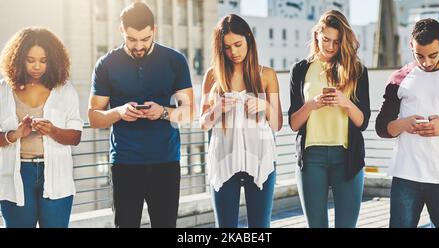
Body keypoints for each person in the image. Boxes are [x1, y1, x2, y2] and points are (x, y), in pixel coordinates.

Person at [88, 2, 195, 228]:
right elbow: (94, 117)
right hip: (125, 163)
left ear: (153, 30)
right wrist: (118, 112)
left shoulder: (175, 60)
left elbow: (189, 113)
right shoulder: (105, 64)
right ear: (122, 31)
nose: (138, 46)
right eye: (132, 39)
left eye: (145, 39)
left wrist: (163, 112)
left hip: (166, 162)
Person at [288, 10, 370, 228]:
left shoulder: (357, 69)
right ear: (316, 35)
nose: (331, 46)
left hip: (347, 157)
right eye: (326, 39)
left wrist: (345, 102)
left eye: (336, 41)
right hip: (311, 156)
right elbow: (294, 123)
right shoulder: (300, 69)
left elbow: (363, 122)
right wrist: (311, 104)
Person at [200, 14, 282, 228]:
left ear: (248, 39)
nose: (233, 52)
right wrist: (217, 108)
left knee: (259, 228)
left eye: (238, 44)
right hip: (224, 158)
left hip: (260, 159)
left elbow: (278, 124)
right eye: (227, 47)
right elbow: (203, 123)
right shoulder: (212, 76)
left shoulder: (267, 75)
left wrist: (265, 106)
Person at [0, 27, 83, 228]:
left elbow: (75, 137)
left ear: (53, 60)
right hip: (16, 174)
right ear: (18, 58)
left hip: (56, 173)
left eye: (44, 61)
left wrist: (52, 130)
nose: (37, 66)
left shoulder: (64, 90)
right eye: (30, 60)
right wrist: (15, 134)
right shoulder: (3, 90)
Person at [376, 18, 439, 228]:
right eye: (419, 55)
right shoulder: (399, 78)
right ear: (411, 46)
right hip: (406, 176)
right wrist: (404, 124)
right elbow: (382, 127)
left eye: (432, 55)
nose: (426, 62)